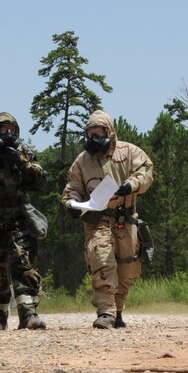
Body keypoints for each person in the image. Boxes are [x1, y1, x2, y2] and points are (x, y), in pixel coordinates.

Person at [61, 110, 154, 329]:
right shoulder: (82, 161)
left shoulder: (130, 151)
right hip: (97, 219)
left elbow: (146, 171)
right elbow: (72, 188)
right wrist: (72, 204)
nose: (95, 138)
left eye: (99, 132)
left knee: (128, 267)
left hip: (125, 217)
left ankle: (118, 309)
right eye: (90, 133)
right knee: (102, 259)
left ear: (109, 131)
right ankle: (105, 312)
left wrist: (130, 185)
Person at [0, 112, 47, 331]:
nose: (7, 134)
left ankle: (28, 314)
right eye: (3, 130)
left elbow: (40, 181)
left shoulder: (24, 155)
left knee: (23, 265)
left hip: (18, 218)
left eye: (12, 130)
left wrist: (20, 160)